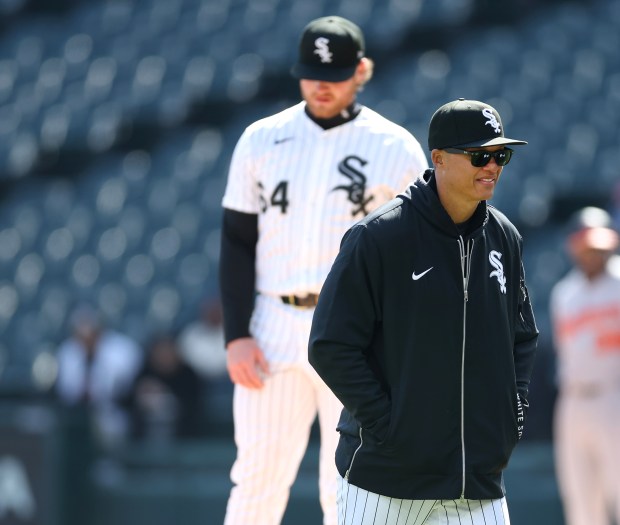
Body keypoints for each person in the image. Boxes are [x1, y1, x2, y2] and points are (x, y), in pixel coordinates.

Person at [219, 15, 429, 525]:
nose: (320, 85)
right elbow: (237, 240)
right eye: (311, 71)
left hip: (357, 329)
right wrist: (236, 335)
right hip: (272, 321)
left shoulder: (394, 146)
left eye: (333, 74)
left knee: (348, 485)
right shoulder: (261, 138)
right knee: (257, 479)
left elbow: (421, 250)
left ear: (362, 71)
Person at [309, 98, 539, 525]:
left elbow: (522, 338)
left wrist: (513, 411)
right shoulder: (379, 236)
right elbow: (330, 346)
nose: (492, 165)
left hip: (477, 484)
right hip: (386, 481)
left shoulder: (504, 236)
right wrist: (389, 428)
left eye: (500, 154)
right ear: (438, 159)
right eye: (479, 155)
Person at [549, 206, 620, 525]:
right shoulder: (564, 294)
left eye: (598, 245)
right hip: (574, 401)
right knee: (580, 502)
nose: (592, 252)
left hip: (613, 396)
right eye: (585, 245)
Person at [55, 303, 143, 447]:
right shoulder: (67, 352)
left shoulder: (122, 350)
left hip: (113, 414)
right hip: (77, 417)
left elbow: (121, 389)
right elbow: (67, 392)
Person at [123, 334, 205, 442]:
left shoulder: (188, 374)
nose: (164, 355)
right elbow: (126, 401)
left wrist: (167, 397)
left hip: (182, 435)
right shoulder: (145, 372)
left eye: (168, 351)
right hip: (145, 435)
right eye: (160, 352)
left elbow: (194, 407)